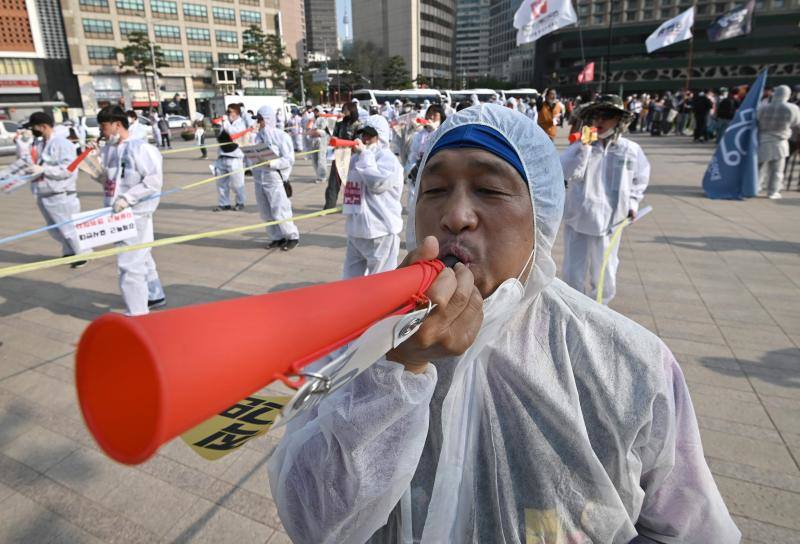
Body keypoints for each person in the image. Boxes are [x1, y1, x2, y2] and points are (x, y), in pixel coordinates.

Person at [268, 104, 740, 543]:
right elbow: (313, 521)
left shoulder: (627, 361)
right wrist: (395, 370)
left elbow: (689, 525)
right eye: (433, 191)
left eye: (489, 190)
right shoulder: (358, 343)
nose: (454, 216)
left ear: (542, 213)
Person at [560, 95, 650, 304]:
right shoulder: (581, 146)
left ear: (619, 120)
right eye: (596, 116)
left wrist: (633, 203)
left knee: (605, 271)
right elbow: (564, 171)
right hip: (578, 217)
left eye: (607, 116)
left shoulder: (629, 149)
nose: (600, 121)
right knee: (573, 270)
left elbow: (641, 178)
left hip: (611, 221)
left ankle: (600, 308)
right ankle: (574, 308)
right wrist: (583, 148)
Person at [93, 106, 166, 314]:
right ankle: (154, 295)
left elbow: (153, 181)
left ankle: (137, 313)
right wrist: (93, 166)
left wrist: (128, 198)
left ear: (117, 125)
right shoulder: (110, 149)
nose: (102, 132)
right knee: (141, 256)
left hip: (135, 213)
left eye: (104, 127)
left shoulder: (141, 148)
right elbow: (109, 179)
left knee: (129, 264)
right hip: (116, 212)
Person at [9, 112, 88, 267]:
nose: (32, 131)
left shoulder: (62, 144)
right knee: (55, 228)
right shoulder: (39, 144)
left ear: (43, 126)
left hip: (60, 193)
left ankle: (81, 254)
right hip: (43, 191)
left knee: (68, 228)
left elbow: (68, 169)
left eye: (33, 127)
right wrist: (22, 145)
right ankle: (69, 252)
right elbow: (28, 161)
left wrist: (44, 170)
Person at [340, 115, 403, 278]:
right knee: (350, 278)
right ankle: (351, 303)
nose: (365, 139)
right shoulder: (358, 157)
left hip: (380, 230)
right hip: (356, 229)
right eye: (363, 134)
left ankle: (380, 304)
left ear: (381, 137)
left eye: (370, 135)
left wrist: (364, 155)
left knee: (381, 279)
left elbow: (377, 183)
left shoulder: (388, 159)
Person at [251, 105, 300, 250]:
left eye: (260, 120)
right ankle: (276, 237)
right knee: (265, 211)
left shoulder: (281, 136)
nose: (258, 123)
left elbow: (289, 159)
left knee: (280, 209)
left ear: (267, 119)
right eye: (257, 120)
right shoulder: (257, 137)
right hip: (259, 178)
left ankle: (292, 236)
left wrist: (272, 163)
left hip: (275, 178)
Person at [757, 85, 800, 199]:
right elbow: (797, 123)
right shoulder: (792, 108)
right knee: (777, 170)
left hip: (763, 139)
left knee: (759, 168)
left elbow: (757, 120)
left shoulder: (763, 107)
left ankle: (755, 187)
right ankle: (773, 191)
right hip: (780, 140)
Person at [324, 102, 361, 209]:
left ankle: (352, 206)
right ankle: (329, 206)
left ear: (352, 111)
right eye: (343, 110)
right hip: (339, 156)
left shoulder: (358, 125)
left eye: (345, 110)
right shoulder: (339, 124)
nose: (343, 112)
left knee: (351, 183)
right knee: (333, 183)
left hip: (352, 158)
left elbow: (357, 142)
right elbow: (333, 136)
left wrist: (345, 144)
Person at [213, 103, 248, 211]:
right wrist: (218, 125)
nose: (228, 114)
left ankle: (240, 202)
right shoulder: (225, 123)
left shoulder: (241, 124)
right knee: (221, 183)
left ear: (236, 113)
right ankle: (224, 203)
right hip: (222, 156)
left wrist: (225, 122)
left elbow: (233, 133)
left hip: (235, 157)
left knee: (237, 184)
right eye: (227, 112)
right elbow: (218, 135)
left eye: (230, 112)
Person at [404, 104, 446, 189]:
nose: (431, 116)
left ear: (441, 117)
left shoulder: (444, 132)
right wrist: (411, 170)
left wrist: (435, 131)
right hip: (417, 175)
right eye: (429, 113)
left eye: (435, 114)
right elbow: (413, 154)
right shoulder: (419, 134)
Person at [308, 106, 330, 185]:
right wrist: (312, 132)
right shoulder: (312, 119)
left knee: (321, 159)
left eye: (317, 111)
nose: (315, 112)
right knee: (314, 159)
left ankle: (322, 176)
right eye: (315, 111)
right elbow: (309, 129)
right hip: (314, 141)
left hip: (322, 141)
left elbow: (323, 130)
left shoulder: (323, 118)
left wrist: (316, 132)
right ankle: (318, 175)